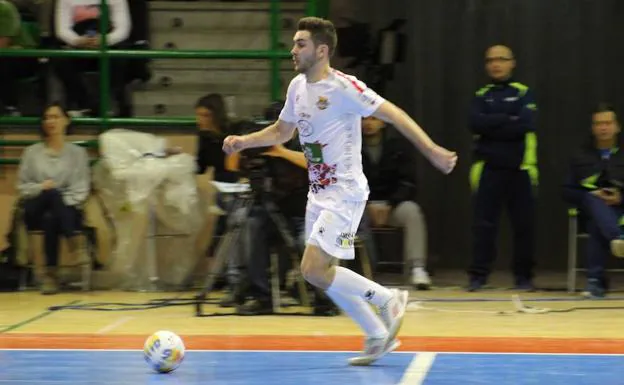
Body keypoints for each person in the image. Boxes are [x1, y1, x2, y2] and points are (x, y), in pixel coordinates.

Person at [222, 16, 457, 365]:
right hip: (317, 193)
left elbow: (394, 114)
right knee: (323, 272)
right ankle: (377, 334)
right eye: (294, 43)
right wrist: (244, 142)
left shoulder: (345, 87)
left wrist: (432, 149)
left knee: (313, 269)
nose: (293, 49)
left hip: (345, 192)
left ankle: (387, 298)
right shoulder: (297, 88)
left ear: (321, 50)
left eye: (300, 43)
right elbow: (281, 132)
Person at [467, 45, 538, 291]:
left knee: (523, 226)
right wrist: (508, 118)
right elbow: (475, 123)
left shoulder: (523, 93)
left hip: (520, 169)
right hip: (489, 168)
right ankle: (478, 276)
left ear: (512, 63)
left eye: (501, 59)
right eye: (490, 60)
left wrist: (492, 124)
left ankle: (523, 277)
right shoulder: (481, 94)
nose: (495, 64)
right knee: (484, 226)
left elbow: (525, 124)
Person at [17, 102, 91, 294]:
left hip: (67, 207)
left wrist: (59, 201)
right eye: (47, 117)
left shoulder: (78, 153)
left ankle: (51, 277)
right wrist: (42, 187)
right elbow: (23, 187)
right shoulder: (31, 152)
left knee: (51, 217)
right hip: (35, 205)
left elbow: (81, 188)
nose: (50, 121)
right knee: (50, 193)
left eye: (55, 117)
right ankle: (74, 244)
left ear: (66, 121)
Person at [562, 103, 624, 298]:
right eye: (598, 124)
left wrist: (620, 197)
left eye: (607, 123)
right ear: (593, 128)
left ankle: (595, 281)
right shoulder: (580, 156)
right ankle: (618, 238)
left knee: (596, 223)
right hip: (588, 207)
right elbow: (566, 191)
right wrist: (592, 196)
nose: (603, 128)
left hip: (620, 209)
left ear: (617, 127)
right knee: (592, 200)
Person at [362, 115, 431, 289]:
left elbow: (408, 182)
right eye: (364, 119)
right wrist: (367, 204)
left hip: (392, 205)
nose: (368, 124)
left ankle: (417, 267)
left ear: (383, 122)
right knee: (345, 217)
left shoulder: (398, 147)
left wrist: (391, 204)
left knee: (412, 211)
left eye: (373, 119)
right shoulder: (350, 146)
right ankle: (362, 270)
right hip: (361, 206)